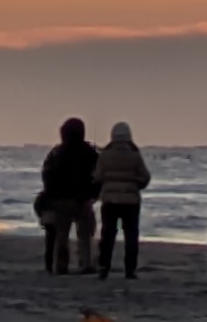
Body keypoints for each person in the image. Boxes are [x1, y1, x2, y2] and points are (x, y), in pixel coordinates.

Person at [36, 119, 101, 277]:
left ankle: (61, 265)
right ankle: (86, 263)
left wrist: (51, 195)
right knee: (85, 234)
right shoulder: (90, 152)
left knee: (61, 235)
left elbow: (47, 175)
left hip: (60, 200)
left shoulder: (57, 152)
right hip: (82, 199)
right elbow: (99, 176)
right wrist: (94, 194)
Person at [91, 121, 147, 282]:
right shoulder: (135, 155)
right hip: (131, 201)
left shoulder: (105, 156)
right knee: (131, 236)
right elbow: (145, 177)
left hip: (110, 200)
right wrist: (136, 185)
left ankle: (104, 268)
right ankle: (130, 270)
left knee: (108, 235)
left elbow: (98, 177)